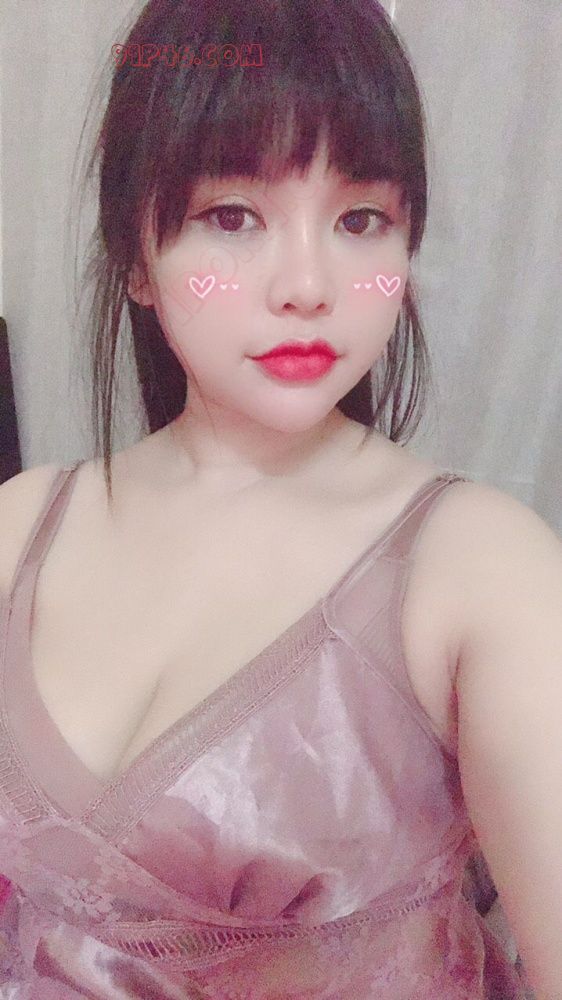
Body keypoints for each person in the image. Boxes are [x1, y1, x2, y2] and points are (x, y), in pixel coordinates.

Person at [0, 0, 559, 996]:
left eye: (360, 220)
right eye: (232, 216)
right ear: (136, 257)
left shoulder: (482, 569)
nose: (307, 284)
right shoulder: (18, 529)